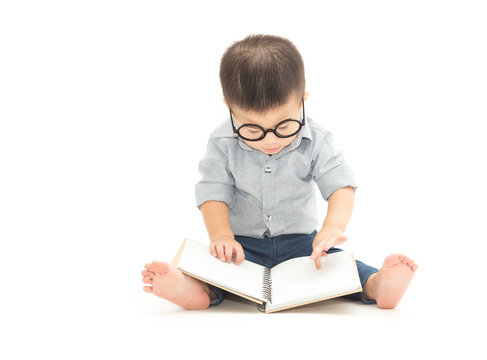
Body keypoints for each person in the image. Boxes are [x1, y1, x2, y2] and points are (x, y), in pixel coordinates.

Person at [141, 34, 417, 310]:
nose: (269, 140)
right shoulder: (221, 142)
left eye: (284, 126)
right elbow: (213, 192)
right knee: (216, 269)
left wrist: (332, 227)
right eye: (252, 130)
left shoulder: (317, 140)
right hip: (241, 248)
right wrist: (222, 237)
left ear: (302, 101)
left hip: (304, 247)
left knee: (340, 266)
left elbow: (340, 185)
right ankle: (196, 290)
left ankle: (377, 284)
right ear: (229, 107)